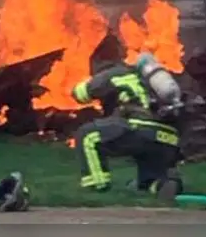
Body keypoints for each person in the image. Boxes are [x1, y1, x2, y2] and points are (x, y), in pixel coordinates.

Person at [70, 51, 185, 201]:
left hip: (140, 128)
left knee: (87, 136)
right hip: (168, 138)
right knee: (147, 182)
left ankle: (97, 187)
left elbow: (81, 94)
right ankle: (162, 185)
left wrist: (82, 84)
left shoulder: (116, 74)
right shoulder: (156, 81)